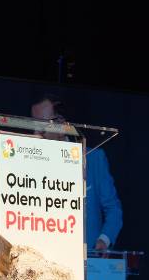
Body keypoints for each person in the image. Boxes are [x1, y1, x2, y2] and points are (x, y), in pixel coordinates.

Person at [30, 96, 123, 250]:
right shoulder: (30, 163)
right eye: (32, 125)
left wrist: (103, 240)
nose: (36, 132)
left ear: (62, 125)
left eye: (42, 126)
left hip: (87, 254)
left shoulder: (93, 158)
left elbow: (113, 209)